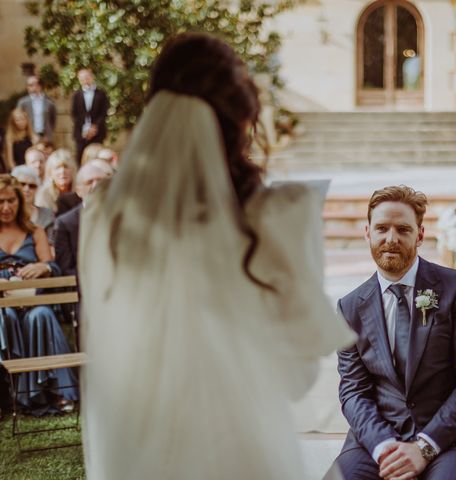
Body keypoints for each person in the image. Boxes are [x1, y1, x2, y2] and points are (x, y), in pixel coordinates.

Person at [78, 32, 354, 479]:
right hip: (242, 453)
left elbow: (107, 335)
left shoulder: (106, 216)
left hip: (138, 454)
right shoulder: (279, 215)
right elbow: (298, 377)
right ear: (242, 116)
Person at [327, 185, 456, 480]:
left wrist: (425, 447)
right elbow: (354, 391)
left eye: (403, 229)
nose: (391, 239)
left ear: (420, 235)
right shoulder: (350, 308)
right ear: (367, 232)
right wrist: (383, 446)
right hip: (379, 438)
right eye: (382, 228)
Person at [0, 174, 78, 414]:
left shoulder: (34, 231)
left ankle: (54, 391)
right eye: (1, 201)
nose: (6, 207)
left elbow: (53, 267)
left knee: (41, 314)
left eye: (11, 200)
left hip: (34, 301)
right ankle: (8, 394)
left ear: (20, 202)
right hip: (3, 306)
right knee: (6, 317)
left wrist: (43, 266)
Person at [54, 160, 114, 277]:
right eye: (89, 182)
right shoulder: (66, 223)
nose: (96, 186)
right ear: (79, 190)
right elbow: (66, 269)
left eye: (100, 181)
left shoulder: (123, 217)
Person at [71, 68, 109, 163]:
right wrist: (85, 129)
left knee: (97, 157)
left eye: (87, 77)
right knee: (80, 158)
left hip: (97, 133)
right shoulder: (76, 95)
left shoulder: (101, 94)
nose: (85, 81)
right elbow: (74, 114)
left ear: (92, 77)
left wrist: (94, 127)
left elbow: (104, 112)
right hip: (81, 133)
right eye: (82, 78)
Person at [11, 165, 55, 243]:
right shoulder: (6, 213)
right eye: (22, 184)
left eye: (32, 186)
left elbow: (51, 244)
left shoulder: (47, 214)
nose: (26, 189)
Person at [16, 75, 57, 143]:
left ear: (39, 86)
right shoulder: (22, 102)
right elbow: (17, 118)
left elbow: (53, 120)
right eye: (28, 85)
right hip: (28, 137)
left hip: (46, 137)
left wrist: (49, 132)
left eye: (31, 85)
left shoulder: (49, 102)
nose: (28, 87)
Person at [35, 148, 76, 213]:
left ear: (73, 170)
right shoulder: (44, 195)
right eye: (57, 168)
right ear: (50, 173)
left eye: (66, 167)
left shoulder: (80, 192)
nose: (62, 171)